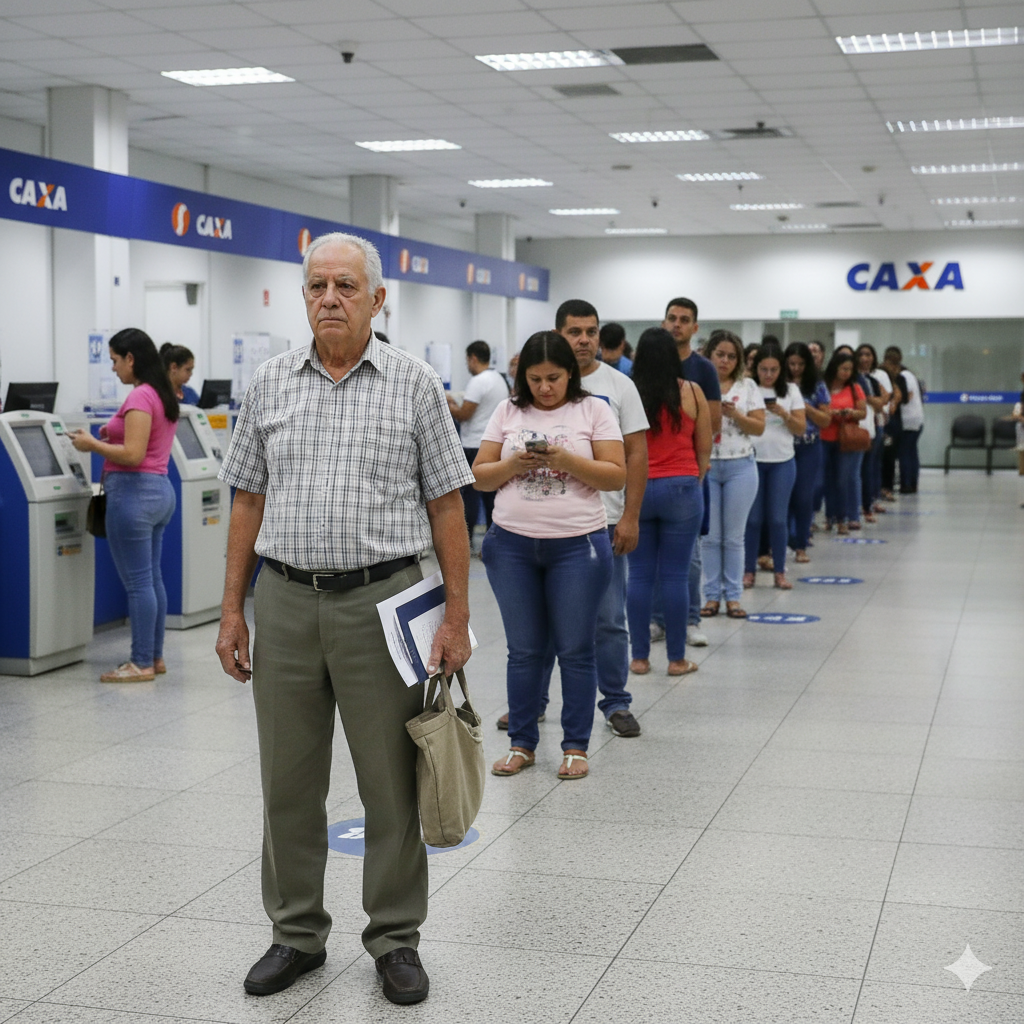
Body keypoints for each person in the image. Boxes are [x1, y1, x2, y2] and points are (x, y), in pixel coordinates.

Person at [214, 232, 474, 1007]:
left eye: (346, 287)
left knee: (389, 780)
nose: (330, 298)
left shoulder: (415, 384)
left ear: (377, 298)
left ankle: (394, 937)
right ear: (304, 296)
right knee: (288, 779)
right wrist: (233, 609)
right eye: (318, 285)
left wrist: (456, 616)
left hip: (383, 602)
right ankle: (295, 933)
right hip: (288, 599)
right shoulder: (268, 384)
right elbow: (247, 501)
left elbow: (448, 503)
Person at [473, 331, 625, 780]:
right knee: (523, 651)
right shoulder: (507, 410)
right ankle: (521, 743)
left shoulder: (594, 409)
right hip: (512, 545)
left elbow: (615, 476)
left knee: (576, 648)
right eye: (535, 379)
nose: (544, 388)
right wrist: (513, 464)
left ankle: (575, 746)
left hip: (578, 546)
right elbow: (480, 476)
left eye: (554, 378)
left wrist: (567, 460)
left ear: (571, 374)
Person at [500, 300, 649, 738]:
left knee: (606, 619)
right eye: (574, 331)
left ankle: (616, 702)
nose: (584, 339)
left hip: (600, 524)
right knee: (538, 629)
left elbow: (636, 455)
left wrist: (631, 517)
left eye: (591, 331)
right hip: (533, 530)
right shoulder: (526, 398)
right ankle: (534, 704)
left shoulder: (618, 387)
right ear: (558, 334)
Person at [69, 329, 179, 682]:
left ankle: (141, 662)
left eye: (115, 360)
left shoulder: (140, 397)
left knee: (138, 584)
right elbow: (143, 442)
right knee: (151, 579)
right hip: (159, 493)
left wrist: (91, 445)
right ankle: (156, 657)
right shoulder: (161, 394)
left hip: (134, 495)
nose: (114, 368)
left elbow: (133, 454)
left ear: (131, 358)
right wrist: (110, 433)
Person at [627, 327, 711, 675]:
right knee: (676, 576)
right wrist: (692, 479)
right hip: (682, 489)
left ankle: (640, 658)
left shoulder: (629, 394)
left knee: (640, 576)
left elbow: (622, 447)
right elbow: (704, 448)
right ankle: (676, 659)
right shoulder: (692, 392)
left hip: (640, 489)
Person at [661, 298, 720, 647]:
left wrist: (695, 471)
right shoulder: (649, 367)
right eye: (672, 318)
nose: (677, 324)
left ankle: (691, 618)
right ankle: (656, 620)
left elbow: (712, 425)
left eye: (684, 320)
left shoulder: (704, 370)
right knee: (650, 559)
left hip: (689, 473)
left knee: (690, 555)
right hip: (652, 475)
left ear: (695, 327)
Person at [701, 330, 764, 618]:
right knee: (711, 536)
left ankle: (734, 597)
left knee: (734, 537)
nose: (724, 361)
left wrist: (735, 415)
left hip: (741, 465)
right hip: (708, 466)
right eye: (720, 354)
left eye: (731, 356)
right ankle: (712, 596)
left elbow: (759, 428)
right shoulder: (698, 384)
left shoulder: (748, 386)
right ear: (710, 354)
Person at [744, 344, 805, 590]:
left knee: (778, 520)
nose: (768, 375)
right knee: (753, 520)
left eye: (773, 370)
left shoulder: (790, 391)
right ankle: (749, 571)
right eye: (763, 369)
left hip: (782, 462)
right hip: (753, 460)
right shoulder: (749, 388)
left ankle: (780, 571)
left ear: (781, 369)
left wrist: (784, 414)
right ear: (755, 368)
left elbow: (801, 428)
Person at [446, 340, 509, 549]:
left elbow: (465, 415)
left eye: (467, 360)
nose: (467, 365)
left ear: (473, 358)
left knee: (470, 495)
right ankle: (495, 536)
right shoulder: (499, 379)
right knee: (491, 494)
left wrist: (449, 404)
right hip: (494, 444)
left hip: (473, 444)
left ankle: (467, 539)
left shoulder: (478, 381)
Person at [785, 342, 830, 564]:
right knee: (783, 498)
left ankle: (801, 544)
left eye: (800, 364)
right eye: (791, 363)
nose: (795, 368)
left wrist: (804, 407)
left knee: (804, 497)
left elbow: (825, 419)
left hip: (809, 446)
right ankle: (782, 542)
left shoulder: (817, 386)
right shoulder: (778, 385)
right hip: (784, 446)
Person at [820, 350, 867, 536]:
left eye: (850, 369)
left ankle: (846, 517)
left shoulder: (855, 388)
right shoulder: (823, 386)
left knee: (844, 479)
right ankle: (830, 516)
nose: (846, 372)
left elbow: (862, 412)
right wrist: (828, 413)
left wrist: (849, 412)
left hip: (847, 439)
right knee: (827, 480)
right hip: (824, 437)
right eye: (843, 368)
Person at [855, 344, 891, 523]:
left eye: (868, 354)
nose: (864, 358)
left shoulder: (874, 378)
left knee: (872, 467)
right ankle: (863, 505)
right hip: (860, 428)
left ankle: (870, 502)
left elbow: (886, 398)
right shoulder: (857, 379)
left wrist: (876, 400)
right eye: (860, 354)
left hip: (876, 425)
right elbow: (875, 402)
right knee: (862, 470)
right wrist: (874, 400)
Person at [884, 346, 924, 494]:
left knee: (904, 453)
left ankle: (906, 484)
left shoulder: (902, 377)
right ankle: (912, 483)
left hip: (907, 420)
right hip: (917, 420)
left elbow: (904, 398)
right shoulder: (910, 375)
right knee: (912, 453)